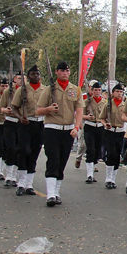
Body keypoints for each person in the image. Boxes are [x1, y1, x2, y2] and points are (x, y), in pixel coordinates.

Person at [36, 61, 84, 207]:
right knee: (53, 160)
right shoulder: (49, 90)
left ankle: (56, 192)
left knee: (62, 162)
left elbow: (80, 110)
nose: (65, 73)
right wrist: (48, 109)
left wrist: (77, 127)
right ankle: (50, 194)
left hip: (68, 131)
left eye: (67, 70)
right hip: (52, 129)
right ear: (56, 72)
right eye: (62, 70)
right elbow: (38, 110)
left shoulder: (75, 90)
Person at [10, 65, 47, 197]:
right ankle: (21, 183)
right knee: (24, 150)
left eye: (37, 74)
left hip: (40, 124)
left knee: (34, 152)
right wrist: (20, 117)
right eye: (32, 74)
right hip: (26, 124)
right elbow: (14, 107)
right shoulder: (22, 90)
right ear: (28, 76)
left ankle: (29, 184)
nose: (35, 76)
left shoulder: (46, 90)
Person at [100, 83, 127, 189]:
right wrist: (105, 124)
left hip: (120, 132)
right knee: (110, 153)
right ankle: (108, 178)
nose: (119, 94)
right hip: (110, 131)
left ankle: (113, 179)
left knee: (117, 155)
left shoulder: (125, 105)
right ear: (113, 93)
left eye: (121, 92)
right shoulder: (108, 105)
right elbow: (102, 118)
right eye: (117, 92)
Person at [0, 74, 22, 188]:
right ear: (14, 79)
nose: (21, 80)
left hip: (21, 123)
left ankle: (16, 175)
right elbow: (1, 107)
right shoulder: (9, 91)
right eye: (18, 78)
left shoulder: (26, 91)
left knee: (20, 149)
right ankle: (9, 175)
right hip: (10, 122)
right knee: (10, 147)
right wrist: (5, 110)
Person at [82, 82, 105, 184]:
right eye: (95, 90)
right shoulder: (87, 101)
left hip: (100, 127)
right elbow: (80, 114)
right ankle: (89, 174)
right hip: (89, 126)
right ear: (92, 91)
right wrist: (87, 117)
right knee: (90, 149)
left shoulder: (104, 102)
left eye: (99, 90)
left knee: (97, 150)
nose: (97, 92)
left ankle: (94, 165)